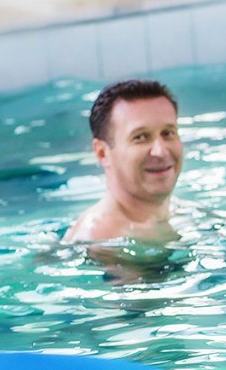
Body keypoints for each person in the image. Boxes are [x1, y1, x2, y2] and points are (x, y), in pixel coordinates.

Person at [63, 78, 184, 245]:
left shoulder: (182, 212)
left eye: (168, 133)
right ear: (102, 153)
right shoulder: (100, 241)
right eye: (140, 137)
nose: (160, 151)